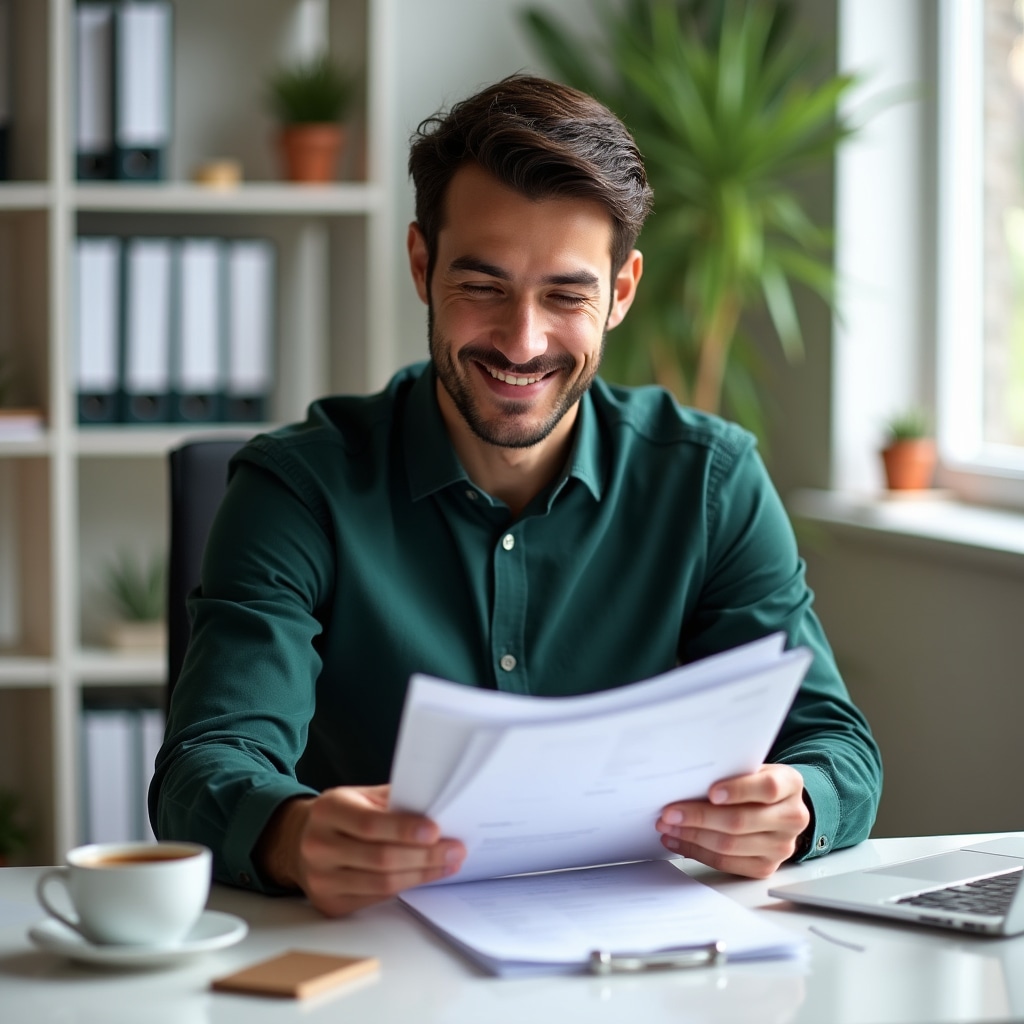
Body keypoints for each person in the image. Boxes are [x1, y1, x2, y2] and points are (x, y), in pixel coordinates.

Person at [151, 74, 881, 918]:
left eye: (566, 294)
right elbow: (206, 767)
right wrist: (291, 832)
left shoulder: (711, 481)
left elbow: (838, 749)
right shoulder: (296, 487)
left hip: (637, 961)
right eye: (483, 286)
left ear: (622, 292)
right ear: (423, 265)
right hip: (368, 959)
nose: (522, 342)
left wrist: (795, 806)